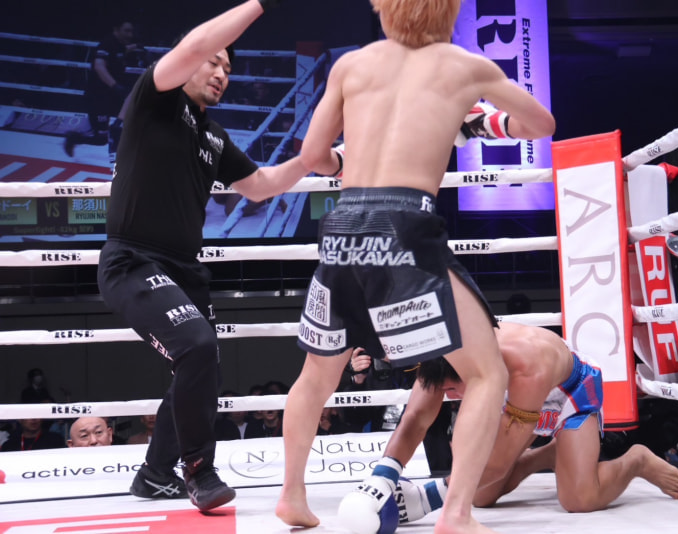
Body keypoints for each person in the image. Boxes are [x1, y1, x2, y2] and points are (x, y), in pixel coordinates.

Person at [275, 1, 555, 532]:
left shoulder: (351, 64)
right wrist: (480, 124)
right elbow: (541, 123)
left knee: (315, 376)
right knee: (486, 372)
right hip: (404, 224)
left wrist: (349, 159)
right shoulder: (465, 65)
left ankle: (291, 495)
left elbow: (313, 156)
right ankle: (457, 513)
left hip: (343, 226)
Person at [95, 0, 341, 513]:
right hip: (133, 261)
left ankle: (154, 475)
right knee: (197, 346)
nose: (222, 73)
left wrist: (315, 160)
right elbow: (195, 45)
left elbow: (261, 186)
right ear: (190, 61)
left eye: (229, 68)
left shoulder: (213, 135)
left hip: (185, 270)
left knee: (200, 364)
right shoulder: (154, 98)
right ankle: (199, 471)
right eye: (215, 62)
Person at [373, 321, 678, 526]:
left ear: (470, 371)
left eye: (452, 389)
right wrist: (380, 481)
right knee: (480, 496)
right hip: (508, 391)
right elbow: (414, 418)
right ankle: (551, 455)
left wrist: (426, 498)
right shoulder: (441, 357)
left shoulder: (528, 362)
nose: (449, 396)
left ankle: (635, 461)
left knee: (579, 499)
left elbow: (498, 463)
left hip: (569, 392)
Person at [64, 18, 137, 164]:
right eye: (126, 31)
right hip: (98, 97)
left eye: (131, 31)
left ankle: (127, 156)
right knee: (101, 139)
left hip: (111, 95)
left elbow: (119, 53)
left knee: (131, 117)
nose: (130, 35)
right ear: (116, 30)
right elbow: (99, 66)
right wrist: (115, 86)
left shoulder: (119, 45)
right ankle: (74, 138)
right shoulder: (107, 44)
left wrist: (136, 47)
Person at [0, 418, 65, 452]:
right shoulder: (9, 445)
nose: (34, 419)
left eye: (37, 415)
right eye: (29, 416)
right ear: (20, 420)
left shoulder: (55, 440)